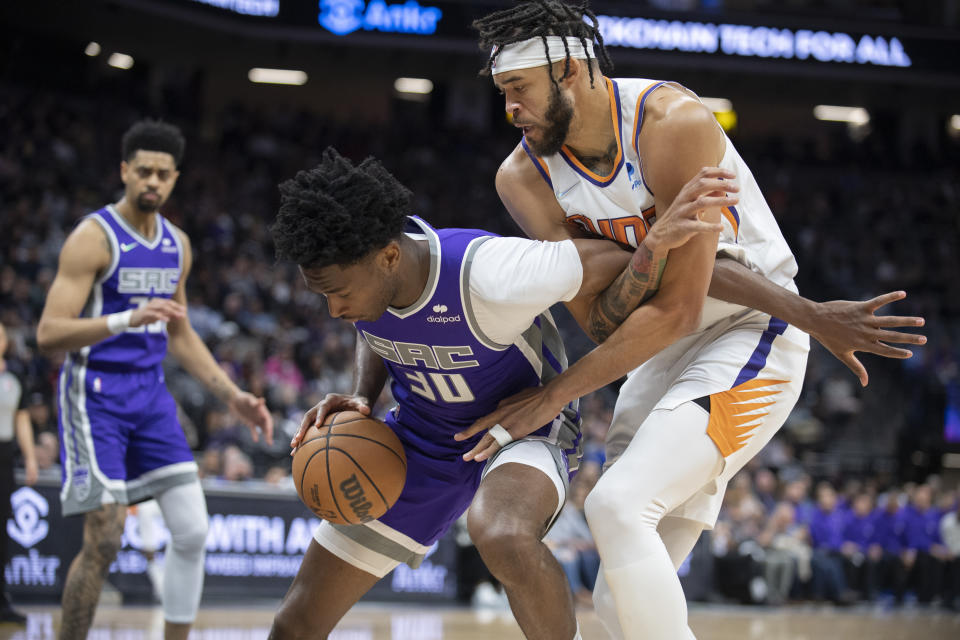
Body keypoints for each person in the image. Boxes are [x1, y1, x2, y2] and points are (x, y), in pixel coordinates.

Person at [460, 2, 927, 637]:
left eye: (518, 89)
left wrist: (553, 396)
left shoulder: (671, 120)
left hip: (749, 334)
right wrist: (650, 251)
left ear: (569, 70)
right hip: (653, 349)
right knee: (617, 602)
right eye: (502, 93)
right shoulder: (523, 178)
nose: (509, 108)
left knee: (618, 508)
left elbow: (683, 302)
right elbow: (600, 323)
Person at [267, 147, 723, 640]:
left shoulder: (490, 272)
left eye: (339, 292)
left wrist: (653, 244)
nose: (334, 310)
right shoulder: (371, 273)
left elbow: (611, 262)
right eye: (323, 296)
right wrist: (362, 395)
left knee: (500, 532)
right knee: (295, 625)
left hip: (525, 424)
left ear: (390, 258)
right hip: (424, 436)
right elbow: (376, 325)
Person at [36, 120, 273, 640]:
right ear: (124, 171)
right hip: (93, 393)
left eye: (163, 174)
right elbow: (49, 334)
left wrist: (233, 396)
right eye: (143, 171)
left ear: (175, 178)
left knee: (192, 530)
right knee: (104, 537)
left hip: (150, 397)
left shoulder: (177, 246)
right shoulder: (92, 238)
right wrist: (125, 319)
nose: (153, 182)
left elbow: (181, 335)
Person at [0, 322, 38, 625]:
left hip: (4, 461)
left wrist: (30, 458)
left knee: (2, 533)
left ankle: (2, 601)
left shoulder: (14, 375)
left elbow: (22, 418)